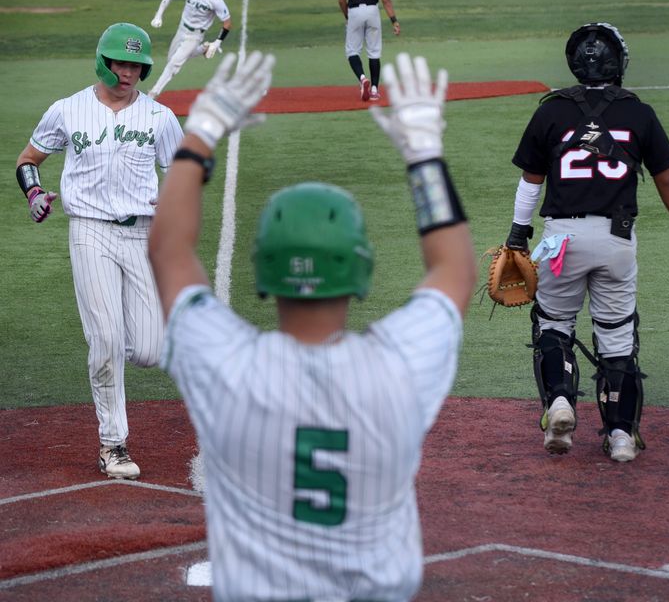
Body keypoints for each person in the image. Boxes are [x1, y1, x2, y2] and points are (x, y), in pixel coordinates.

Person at [149, 51, 476, 600]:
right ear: (361, 268)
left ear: (264, 270)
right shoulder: (398, 367)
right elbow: (455, 269)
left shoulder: (226, 366)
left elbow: (167, 249)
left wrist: (201, 133)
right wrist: (423, 150)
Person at [504, 22, 669, 463]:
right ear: (620, 63)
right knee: (617, 337)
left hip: (562, 241)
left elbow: (530, 183)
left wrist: (518, 235)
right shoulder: (639, 113)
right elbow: (666, 177)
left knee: (553, 325)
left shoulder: (550, 112)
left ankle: (559, 402)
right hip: (617, 241)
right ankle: (620, 436)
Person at [15, 22, 184, 480]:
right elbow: (27, 160)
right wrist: (34, 195)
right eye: (120, 62)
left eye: (136, 65)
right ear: (102, 61)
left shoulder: (158, 117)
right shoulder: (68, 111)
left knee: (149, 350)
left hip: (142, 234)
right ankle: (114, 444)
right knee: (106, 341)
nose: (128, 72)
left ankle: (110, 349)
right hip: (89, 230)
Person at [148, 0, 232, 100]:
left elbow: (227, 22)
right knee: (171, 59)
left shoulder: (216, 1)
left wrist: (217, 42)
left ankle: (153, 93)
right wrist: (158, 16)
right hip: (181, 29)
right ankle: (204, 48)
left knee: (174, 64)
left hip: (195, 35)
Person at [338, 0, 400, 102]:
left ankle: (362, 78)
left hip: (355, 11)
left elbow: (341, 0)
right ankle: (374, 90)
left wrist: (348, 16)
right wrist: (394, 21)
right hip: (372, 11)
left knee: (352, 51)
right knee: (374, 52)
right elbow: (386, 0)